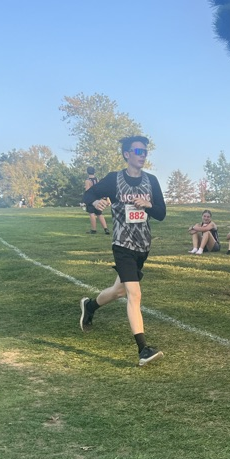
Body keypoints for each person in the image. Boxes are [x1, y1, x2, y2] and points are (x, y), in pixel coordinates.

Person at [80, 135, 166, 366]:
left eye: (145, 152)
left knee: (119, 291)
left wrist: (149, 205)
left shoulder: (151, 181)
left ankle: (90, 306)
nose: (142, 156)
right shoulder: (114, 179)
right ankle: (143, 349)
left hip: (143, 245)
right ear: (127, 154)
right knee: (134, 295)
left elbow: (161, 213)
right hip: (122, 244)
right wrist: (94, 204)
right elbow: (89, 196)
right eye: (138, 152)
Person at [84, 166, 110, 234]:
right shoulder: (97, 179)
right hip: (97, 198)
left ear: (87, 172)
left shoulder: (87, 180)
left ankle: (93, 229)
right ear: (94, 172)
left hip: (91, 199)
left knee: (91, 213)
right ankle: (106, 229)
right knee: (99, 214)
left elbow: (87, 190)